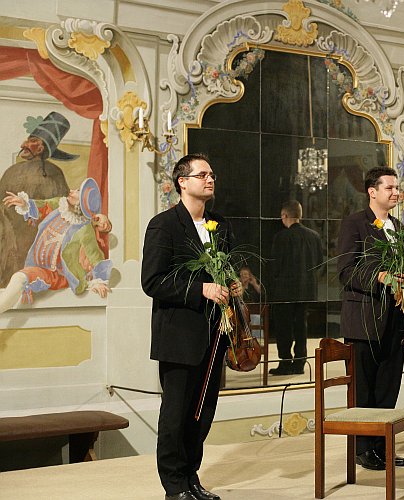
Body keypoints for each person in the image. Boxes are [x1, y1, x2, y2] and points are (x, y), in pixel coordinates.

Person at [142, 153, 238, 500]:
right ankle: (174, 486)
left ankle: (191, 477)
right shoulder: (164, 225)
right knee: (176, 414)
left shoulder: (221, 224)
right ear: (182, 182)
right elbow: (152, 281)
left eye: (212, 174)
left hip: (214, 336)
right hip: (179, 336)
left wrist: (231, 283)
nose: (209, 180)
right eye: (202, 175)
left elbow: (225, 269)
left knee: (203, 412)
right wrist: (201, 289)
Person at [336, 166, 404, 471]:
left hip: (395, 320)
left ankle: (382, 445)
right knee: (365, 388)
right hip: (364, 321)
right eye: (389, 188)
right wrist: (381, 276)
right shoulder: (355, 224)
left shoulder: (397, 226)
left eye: (397, 188)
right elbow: (346, 270)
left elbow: (400, 273)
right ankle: (363, 448)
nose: (396, 192)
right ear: (372, 191)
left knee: (388, 387)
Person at [0, 178, 111, 314]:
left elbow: (94, 254)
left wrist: (97, 280)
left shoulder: (84, 228)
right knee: (18, 278)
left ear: (82, 203)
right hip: (37, 266)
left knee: (19, 278)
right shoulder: (60, 205)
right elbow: (44, 205)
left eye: (77, 191)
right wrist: (25, 203)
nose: (71, 191)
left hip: (56, 274)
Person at [0, 111, 74, 286]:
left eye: (32, 142)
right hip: (7, 237)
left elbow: (62, 209)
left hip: (38, 239)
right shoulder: (11, 171)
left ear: (41, 148)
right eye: (28, 139)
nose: (23, 144)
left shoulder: (54, 173)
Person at [268, 200, 325, 376]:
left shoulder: (281, 237)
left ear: (284, 216)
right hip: (306, 290)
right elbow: (319, 263)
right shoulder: (314, 236)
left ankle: (285, 362)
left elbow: (274, 266)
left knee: (284, 328)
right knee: (301, 326)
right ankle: (300, 362)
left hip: (284, 291)